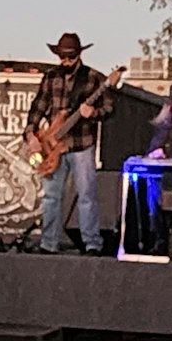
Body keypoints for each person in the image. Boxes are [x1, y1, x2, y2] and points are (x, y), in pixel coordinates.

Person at [27, 32, 115, 254]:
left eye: (70, 57)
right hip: (53, 146)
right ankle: (48, 243)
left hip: (81, 144)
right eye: (62, 57)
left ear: (79, 55)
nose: (66, 61)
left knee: (86, 195)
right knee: (51, 196)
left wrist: (92, 112)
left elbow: (109, 108)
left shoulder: (93, 78)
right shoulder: (50, 77)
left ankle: (92, 244)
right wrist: (31, 134)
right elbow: (38, 106)